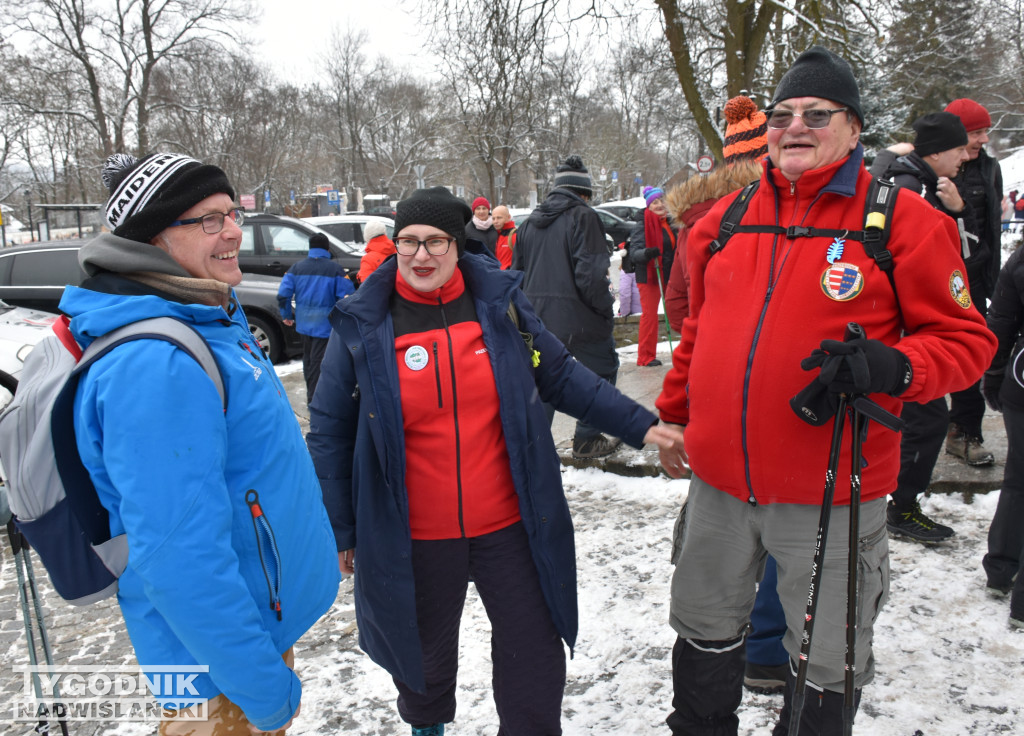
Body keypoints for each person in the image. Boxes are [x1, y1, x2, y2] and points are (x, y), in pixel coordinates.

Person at [655, 46, 996, 736]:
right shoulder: (723, 221)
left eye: (817, 114)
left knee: (828, 661)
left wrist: (895, 367)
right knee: (702, 629)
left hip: (832, 493)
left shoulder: (904, 222)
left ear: (853, 127)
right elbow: (697, 334)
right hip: (719, 487)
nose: (795, 127)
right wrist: (673, 416)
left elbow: (968, 344)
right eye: (782, 115)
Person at [306, 186, 686, 736]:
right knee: (423, 665)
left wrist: (643, 426)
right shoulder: (364, 322)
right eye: (408, 241)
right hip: (416, 534)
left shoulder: (498, 304)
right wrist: (343, 528)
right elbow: (329, 431)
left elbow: (561, 375)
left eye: (435, 241)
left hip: (510, 527)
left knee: (533, 658)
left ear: (458, 245)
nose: (420, 255)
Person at [60, 152, 340, 734]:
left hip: (241, 637)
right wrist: (261, 687)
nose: (233, 231)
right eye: (210, 219)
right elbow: (178, 557)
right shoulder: (155, 364)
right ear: (153, 237)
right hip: (214, 674)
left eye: (232, 213)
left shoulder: (203, 312)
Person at [877, 112, 983, 542]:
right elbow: (957, 257)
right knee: (927, 419)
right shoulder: (914, 191)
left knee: (918, 418)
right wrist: (958, 213)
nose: (966, 156)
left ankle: (894, 501)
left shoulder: (915, 181)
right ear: (936, 152)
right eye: (959, 148)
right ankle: (900, 506)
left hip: (908, 327)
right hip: (910, 330)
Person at [512, 155, 623, 459]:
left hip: (537, 319)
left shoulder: (528, 223)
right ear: (584, 193)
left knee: (544, 380)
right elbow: (592, 277)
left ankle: (534, 449)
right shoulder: (584, 217)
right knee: (602, 369)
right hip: (580, 319)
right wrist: (604, 310)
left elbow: (516, 275)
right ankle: (587, 438)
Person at [944, 98, 1005, 465]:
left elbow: (993, 230)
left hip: (974, 281)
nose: (984, 139)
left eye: (986, 131)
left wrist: (993, 281)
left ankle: (964, 433)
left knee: (970, 355)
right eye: (976, 132)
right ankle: (915, 436)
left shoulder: (989, 168)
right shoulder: (932, 167)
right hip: (933, 280)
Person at [981, 245, 1024, 629]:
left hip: (1019, 379)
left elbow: (1002, 318)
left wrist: (994, 374)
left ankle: (1000, 569)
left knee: (1017, 481)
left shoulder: (1021, 257)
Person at [278, 232, 354, 403]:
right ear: (327, 249)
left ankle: (312, 396)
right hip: (325, 325)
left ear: (310, 248)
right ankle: (315, 400)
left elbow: (283, 294)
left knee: (308, 360)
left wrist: (286, 315)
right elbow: (347, 297)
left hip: (304, 323)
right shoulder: (335, 270)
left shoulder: (296, 268)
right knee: (319, 363)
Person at [628, 186, 676, 367]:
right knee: (650, 315)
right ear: (648, 206)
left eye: (662, 200)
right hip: (650, 274)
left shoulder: (672, 221)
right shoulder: (642, 224)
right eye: (655, 202)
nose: (660, 204)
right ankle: (645, 356)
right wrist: (647, 253)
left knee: (679, 310)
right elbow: (634, 253)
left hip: (669, 272)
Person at [357, 220, 397, 284]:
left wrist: (359, 276)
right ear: (385, 232)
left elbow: (366, 285)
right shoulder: (397, 250)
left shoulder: (368, 259)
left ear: (367, 236)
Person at [492, 204, 517, 269]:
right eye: (493, 218)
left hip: (510, 273)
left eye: (499, 218)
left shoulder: (515, 235)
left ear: (508, 217)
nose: (495, 221)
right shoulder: (495, 234)